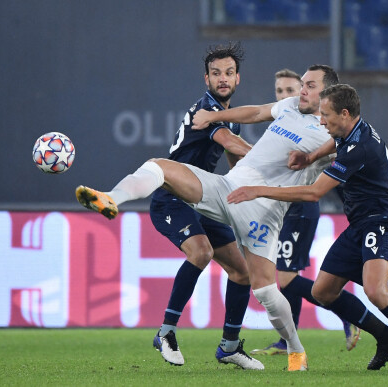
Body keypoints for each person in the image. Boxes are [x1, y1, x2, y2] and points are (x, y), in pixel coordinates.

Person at [75, 64, 340, 372]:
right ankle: (111, 198)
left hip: (263, 210)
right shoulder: (292, 107)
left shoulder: (330, 135)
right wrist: (215, 117)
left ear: (327, 93)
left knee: (266, 290)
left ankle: (295, 350)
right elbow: (256, 113)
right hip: (228, 188)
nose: (301, 90)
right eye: (302, 84)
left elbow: (341, 166)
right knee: (159, 166)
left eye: (309, 86)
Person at [226, 84, 388, 371]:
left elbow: (313, 193)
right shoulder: (351, 130)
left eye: (326, 115)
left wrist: (259, 190)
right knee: (322, 291)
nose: (321, 120)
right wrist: (311, 157)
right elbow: (334, 142)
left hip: (382, 220)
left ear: (345, 113)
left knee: (377, 292)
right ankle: (386, 337)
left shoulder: (359, 149)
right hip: (360, 224)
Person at [144, 43, 263, 370]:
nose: (222, 79)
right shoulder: (205, 111)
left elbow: (234, 159)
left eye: (228, 73)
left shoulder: (227, 117)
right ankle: (165, 333)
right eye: (215, 73)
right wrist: (277, 161)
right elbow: (232, 144)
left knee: (241, 271)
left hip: (201, 200)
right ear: (206, 78)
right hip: (170, 197)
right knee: (201, 253)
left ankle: (229, 346)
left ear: (238, 78)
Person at [250, 69, 360, 356]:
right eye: (280, 91)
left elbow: (340, 153)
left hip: (301, 206)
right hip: (283, 206)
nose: (285, 96)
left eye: (291, 90)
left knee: (285, 277)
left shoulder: (321, 127)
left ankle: (346, 310)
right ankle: (287, 340)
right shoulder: (284, 121)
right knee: (286, 273)